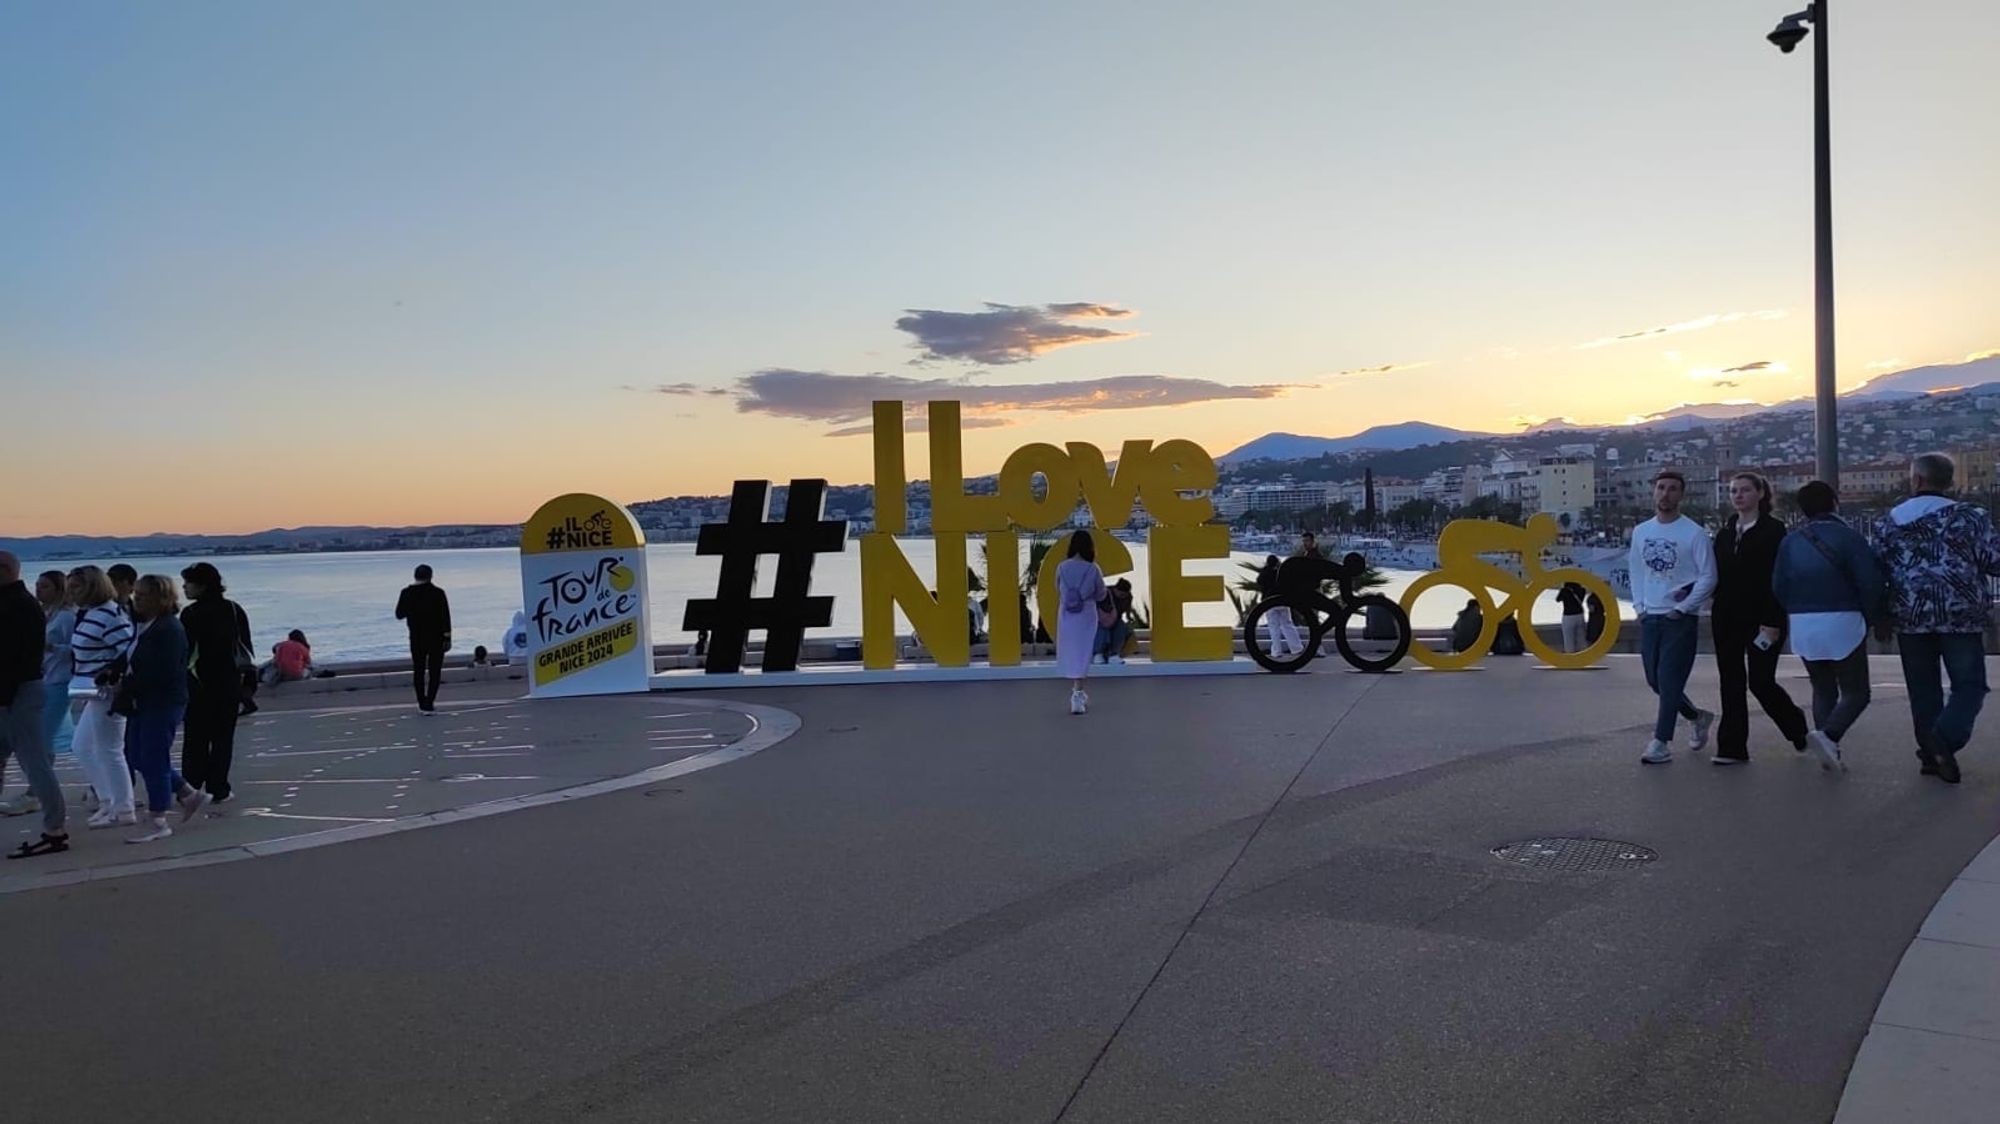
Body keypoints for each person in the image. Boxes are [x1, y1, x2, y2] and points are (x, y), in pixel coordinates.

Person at [1874, 453, 2000, 784]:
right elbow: (1993, 560)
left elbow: (1876, 569)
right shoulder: (1971, 517)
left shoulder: (1889, 521)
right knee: (1970, 685)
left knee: (1922, 687)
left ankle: (1932, 755)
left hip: (1909, 614)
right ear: (1950, 482)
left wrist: (1880, 612)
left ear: (1916, 480)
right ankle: (1944, 740)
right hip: (1961, 614)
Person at [1774, 481, 1885, 770]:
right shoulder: (1849, 537)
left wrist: (1797, 610)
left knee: (1822, 689)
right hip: (1842, 619)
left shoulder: (1790, 541)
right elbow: (1870, 582)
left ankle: (1828, 751)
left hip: (1803, 623)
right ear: (1835, 502)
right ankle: (1829, 736)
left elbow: (1778, 586)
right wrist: (1874, 617)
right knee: (1857, 692)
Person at [1709, 471, 1810, 766]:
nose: (1738, 496)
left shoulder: (1775, 531)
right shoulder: (1725, 533)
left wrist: (1773, 621)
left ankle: (1796, 727)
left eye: (1744, 490)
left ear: (1760, 494)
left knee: (1761, 681)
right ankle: (1731, 747)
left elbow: (1778, 579)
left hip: (1763, 619)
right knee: (1730, 682)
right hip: (1726, 617)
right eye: (1733, 491)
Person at [1628, 469, 1717, 764]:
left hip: (1679, 619)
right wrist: (1639, 607)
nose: (1666, 494)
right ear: (1654, 491)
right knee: (1655, 681)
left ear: (1681, 495)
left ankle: (1660, 741)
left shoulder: (1694, 534)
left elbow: (1708, 577)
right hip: (1650, 617)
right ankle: (1697, 716)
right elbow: (1637, 571)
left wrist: (1684, 608)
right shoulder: (1641, 532)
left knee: (1669, 681)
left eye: (1673, 489)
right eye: (1661, 488)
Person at [1, 551, 69, 858]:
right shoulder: (20, 604)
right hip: (15, 693)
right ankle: (53, 827)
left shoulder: (17, 606)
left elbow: (15, 658)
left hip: (18, 696)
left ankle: (55, 829)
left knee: (35, 763)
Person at [67, 566, 136, 827]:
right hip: (91, 690)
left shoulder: (110, 615)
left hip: (107, 691)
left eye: (76, 587)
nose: (71, 593)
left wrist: (114, 678)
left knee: (110, 749)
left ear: (92, 587)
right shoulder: (89, 614)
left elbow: (128, 651)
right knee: (82, 746)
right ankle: (109, 801)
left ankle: (122, 807)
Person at [179, 562, 251, 812]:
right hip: (228, 683)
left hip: (198, 683)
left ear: (202, 585)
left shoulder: (190, 614)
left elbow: (184, 653)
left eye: (188, 582)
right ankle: (218, 787)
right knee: (222, 739)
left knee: (195, 738)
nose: (184, 587)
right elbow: (245, 649)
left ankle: (190, 786)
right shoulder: (233, 609)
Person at [124, 575, 189, 842]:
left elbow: (162, 671)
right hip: (144, 700)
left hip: (162, 701)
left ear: (161, 598)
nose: (137, 599)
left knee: (153, 757)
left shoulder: (168, 629)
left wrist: (128, 685)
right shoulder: (145, 626)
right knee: (135, 753)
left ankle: (158, 817)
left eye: (144, 595)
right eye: (136, 594)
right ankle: (186, 791)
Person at [1054, 530, 1108, 715]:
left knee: (1071, 650)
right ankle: (1077, 693)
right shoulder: (1093, 569)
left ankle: (1077, 691)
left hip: (1066, 614)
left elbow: (1058, 589)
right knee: (1083, 652)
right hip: (1086, 613)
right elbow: (1101, 593)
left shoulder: (1061, 567)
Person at [395, 564, 452, 713]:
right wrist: (447, 637)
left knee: (418, 670)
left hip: (416, 637)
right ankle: (430, 701)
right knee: (435, 671)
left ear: (415, 575)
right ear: (430, 576)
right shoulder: (438, 593)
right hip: (436, 637)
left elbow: (399, 614)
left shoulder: (406, 593)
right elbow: (445, 617)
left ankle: (421, 701)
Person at [35, 570, 76, 761]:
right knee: (46, 733)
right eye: (38, 585)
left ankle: (39, 785)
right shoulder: (45, 614)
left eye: (44, 586)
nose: (38, 590)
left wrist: (51, 647)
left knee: (43, 734)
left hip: (60, 679)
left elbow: (77, 648)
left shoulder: (66, 616)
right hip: (44, 678)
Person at [1256, 555, 1303, 659]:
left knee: (1273, 627)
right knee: (1287, 624)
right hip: (1282, 601)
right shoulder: (1281, 572)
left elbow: (1259, 581)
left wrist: (1265, 569)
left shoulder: (1265, 573)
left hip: (1269, 602)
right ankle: (1296, 648)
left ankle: (1276, 651)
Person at [1094, 578, 1135, 664]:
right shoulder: (1104, 593)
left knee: (1121, 628)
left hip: (1116, 620)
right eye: (1121, 594)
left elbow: (1127, 610)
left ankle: (1114, 654)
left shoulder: (1128, 597)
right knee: (1102, 630)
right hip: (1100, 620)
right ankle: (1098, 653)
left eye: (1124, 595)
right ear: (1115, 589)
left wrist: (1129, 618)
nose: (1122, 596)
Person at [1557, 582, 1587, 654]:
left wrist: (1562, 588)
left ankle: (1569, 654)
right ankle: (1583, 654)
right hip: (1580, 615)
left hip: (1568, 616)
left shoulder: (1564, 591)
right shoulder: (1582, 589)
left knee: (1568, 637)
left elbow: (1558, 599)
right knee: (1581, 637)